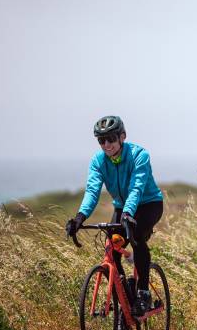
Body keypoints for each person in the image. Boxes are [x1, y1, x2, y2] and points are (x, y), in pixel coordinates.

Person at [65, 115, 164, 317]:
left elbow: (136, 188)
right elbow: (92, 191)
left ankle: (143, 293)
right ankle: (125, 300)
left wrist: (128, 213)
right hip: (122, 207)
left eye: (111, 138)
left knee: (136, 237)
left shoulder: (139, 155)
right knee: (112, 249)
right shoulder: (98, 161)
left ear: (122, 136)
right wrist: (79, 218)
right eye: (102, 140)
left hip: (149, 204)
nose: (107, 144)